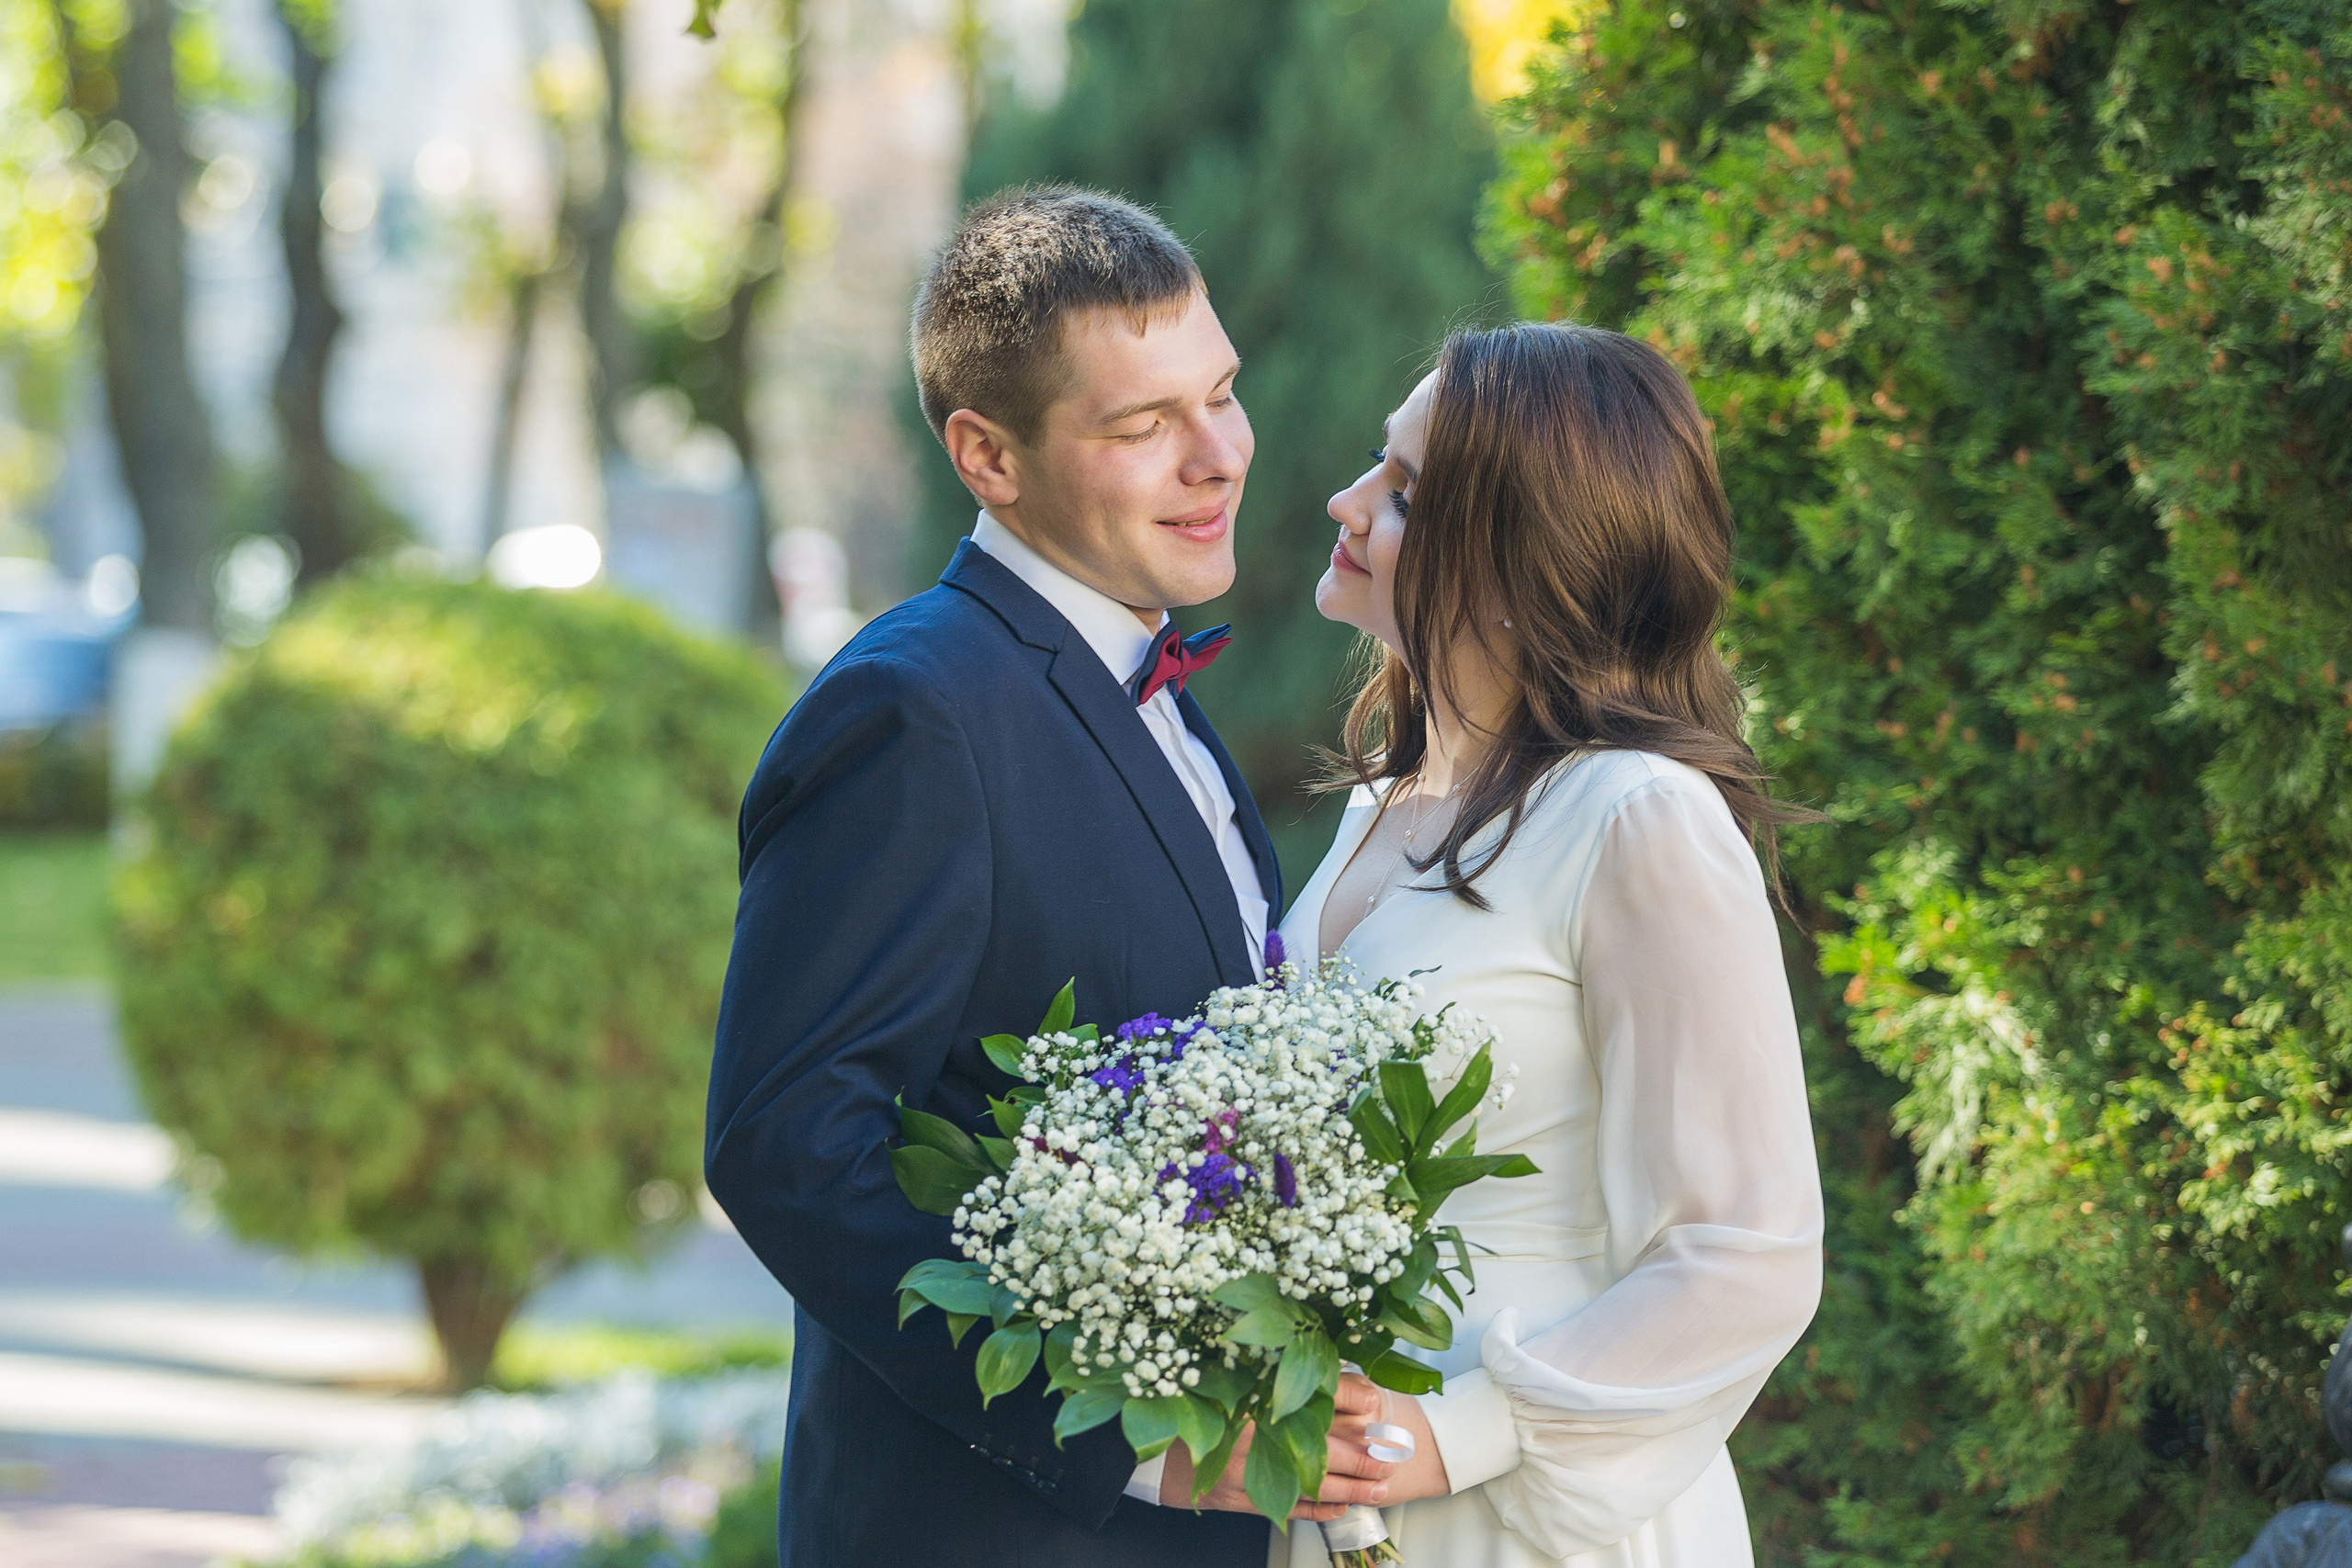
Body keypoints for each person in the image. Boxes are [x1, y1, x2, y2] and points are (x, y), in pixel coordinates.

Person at [704, 186, 1390, 1568]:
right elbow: (786, 1145)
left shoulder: (1153, 684)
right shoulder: (914, 714)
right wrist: (1135, 1435)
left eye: (1222, 395)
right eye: (1142, 426)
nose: (1219, 458)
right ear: (988, 455)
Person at [1269, 321, 1826, 1567]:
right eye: (1378, 464)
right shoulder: (1385, 803)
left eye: (1404, 493)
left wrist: (1457, 1431)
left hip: (1531, 1508)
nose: (1347, 501)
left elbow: (1748, 1253)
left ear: (1522, 564)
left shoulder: (1638, 816)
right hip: (1342, 1483)